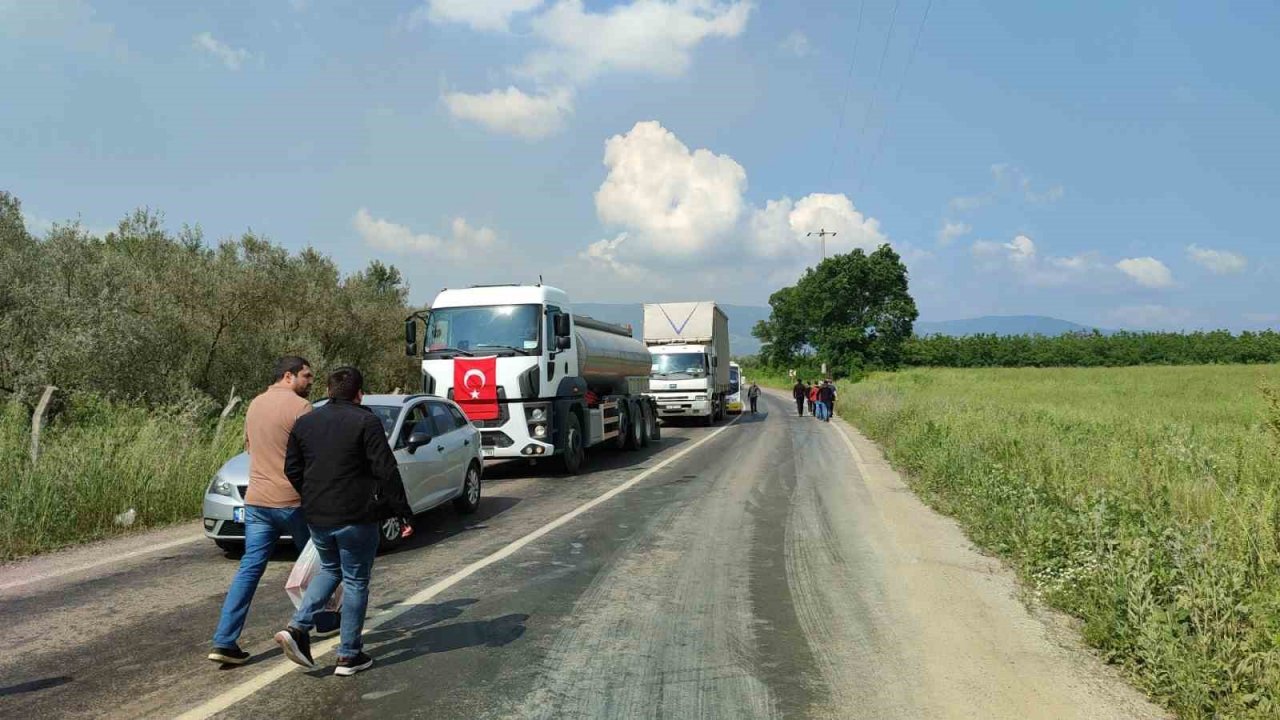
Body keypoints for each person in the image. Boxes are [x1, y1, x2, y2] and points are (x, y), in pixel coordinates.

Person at [275, 366, 414, 677]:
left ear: (328, 391)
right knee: (355, 581)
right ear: (359, 394)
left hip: (318, 515)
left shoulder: (305, 423)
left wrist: (312, 495)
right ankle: (349, 655)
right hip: (356, 517)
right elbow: (386, 469)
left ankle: (298, 626)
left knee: (330, 568)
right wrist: (401, 510)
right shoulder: (366, 421)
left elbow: (292, 469)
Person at [209, 356, 317, 666]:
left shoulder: (255, 404)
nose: (310, 382)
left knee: (249, 569)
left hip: (257, 501)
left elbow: (249, 448)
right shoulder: (301, 408)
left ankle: (225, 640)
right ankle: (318, 621)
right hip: (292, 501)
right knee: (320, 562)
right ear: (288, 376)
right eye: (306, 376)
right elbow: (310, 456)